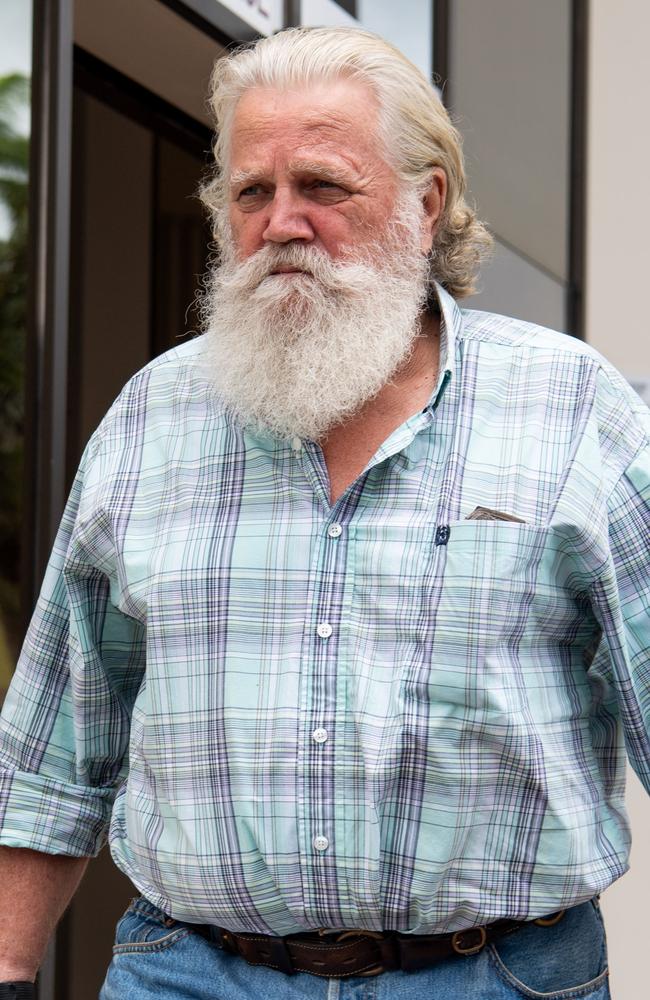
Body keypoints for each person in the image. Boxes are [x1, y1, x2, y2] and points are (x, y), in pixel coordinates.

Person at [0, 25, 647, 1000]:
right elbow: (58, 736)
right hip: (190, 972)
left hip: (496, 978)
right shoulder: (151, 418)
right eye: (251, 192)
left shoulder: (572, 410)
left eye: (322, 187)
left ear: (422, 204)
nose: (281, 222)